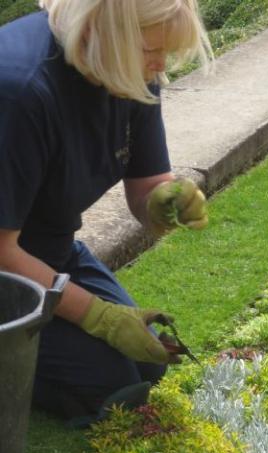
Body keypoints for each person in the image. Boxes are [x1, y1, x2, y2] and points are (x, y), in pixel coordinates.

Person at [0, 0, 212, 424]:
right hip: (7, 267)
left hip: (51, 252)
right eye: (152, 52)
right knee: (112, 387)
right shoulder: (19, 89)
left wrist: (163, 201)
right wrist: (100, 318)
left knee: (150, 362)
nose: (158, 68)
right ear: (105, 33)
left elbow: (147, 185)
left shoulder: (130, 71)